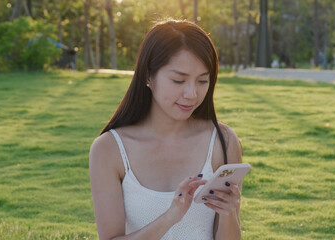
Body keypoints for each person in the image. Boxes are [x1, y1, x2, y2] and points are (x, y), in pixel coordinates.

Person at [89, 19, 243, 240]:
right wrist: (171, 216)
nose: (192, 94)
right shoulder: (108, 149)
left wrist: (229, 214)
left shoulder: (223, 141)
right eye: (178, 80)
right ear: (148, 76)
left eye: (202, 81)